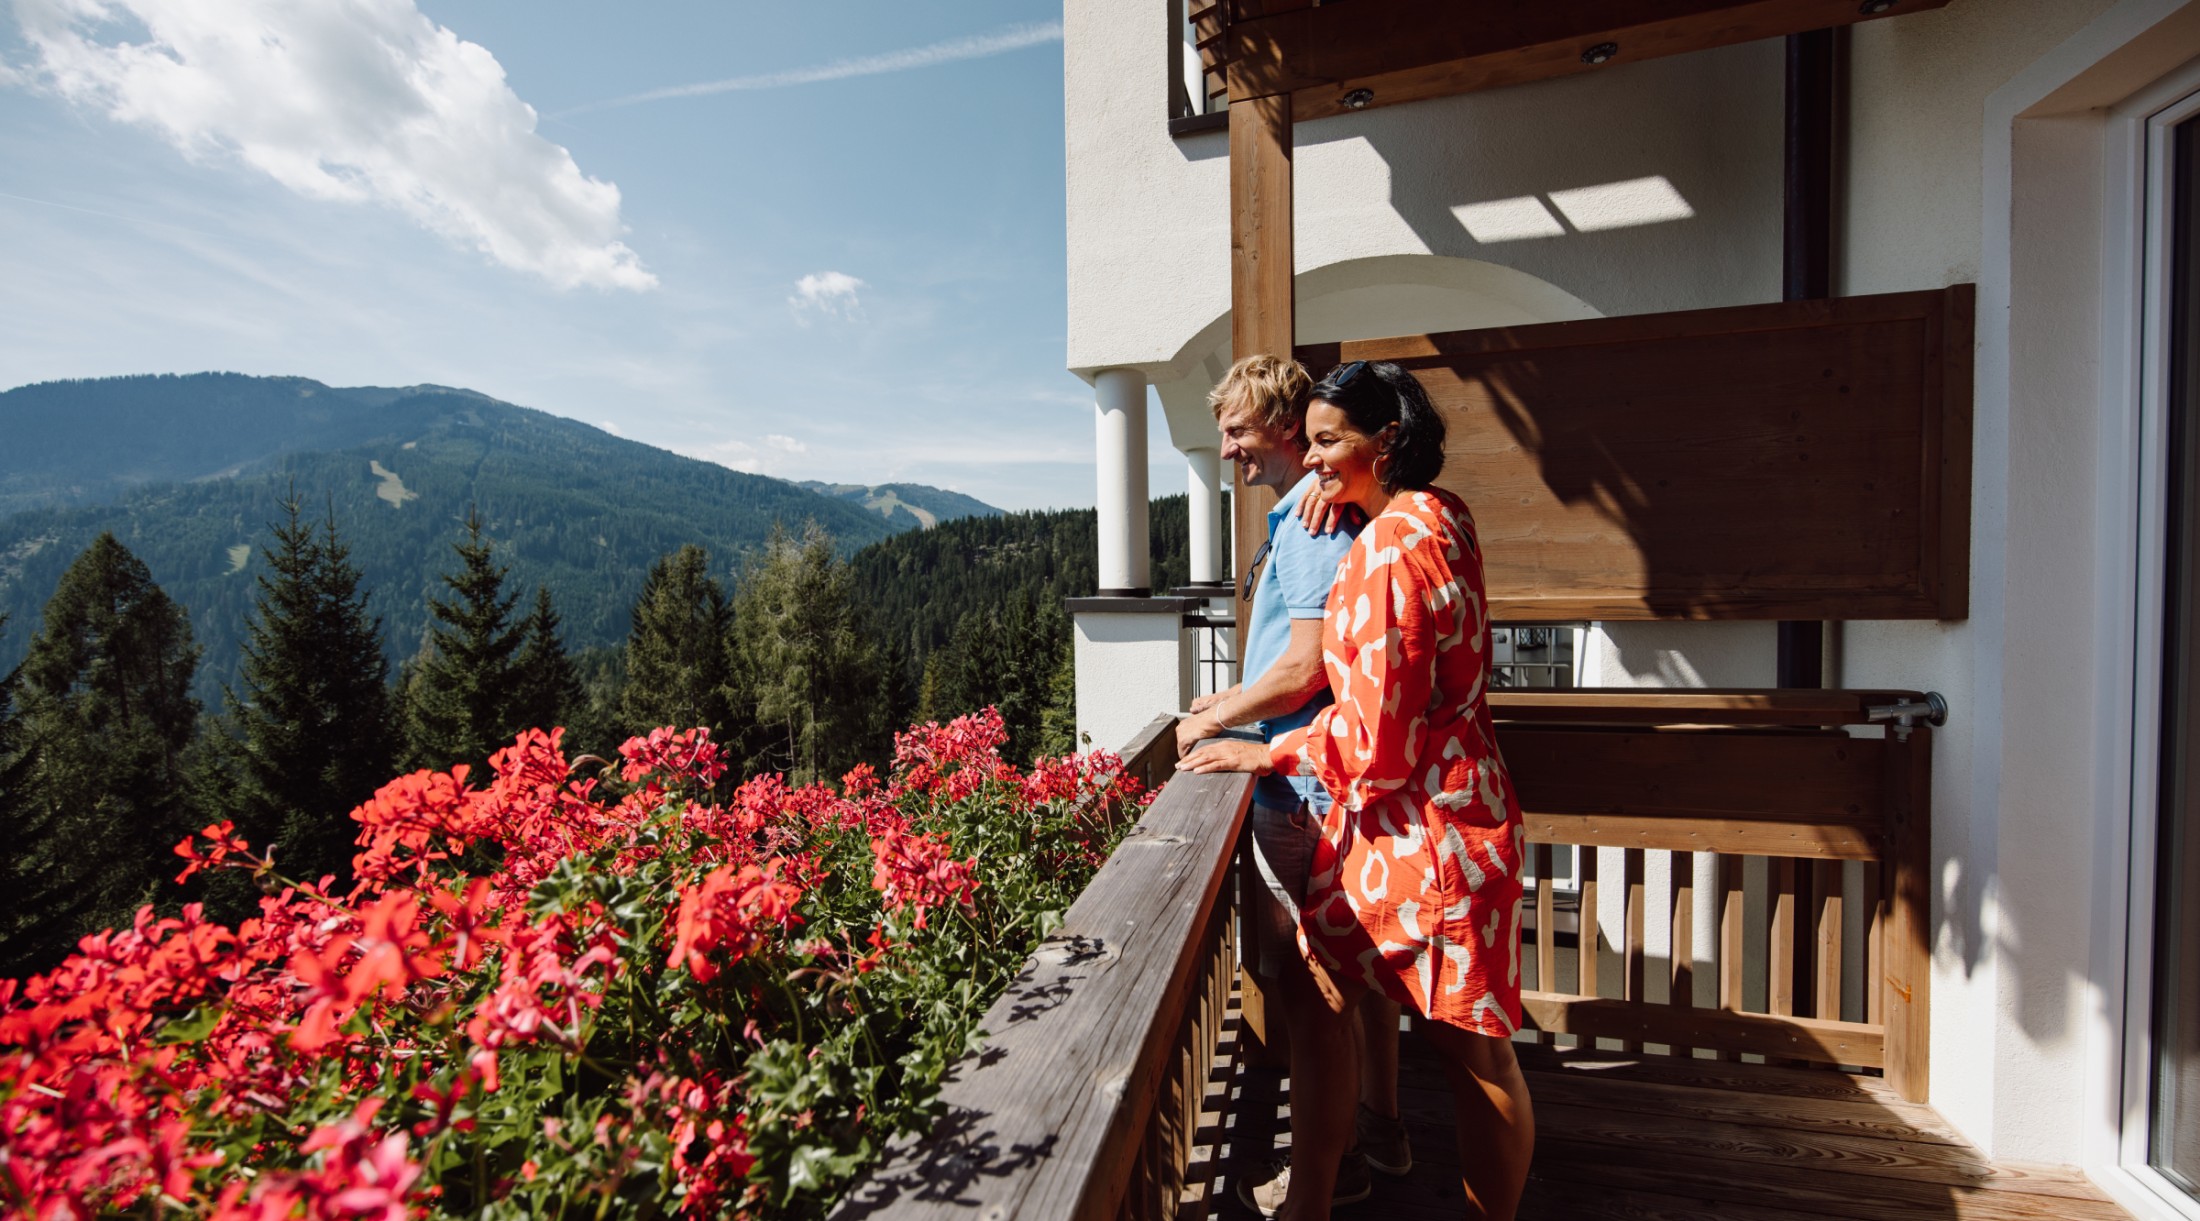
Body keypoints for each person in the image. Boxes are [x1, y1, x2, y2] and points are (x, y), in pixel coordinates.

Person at [1180, 359, 1535, 1221]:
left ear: (1389, 441)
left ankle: (1334, 1190)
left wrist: (1259, 753)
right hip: (1463, 806)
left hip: (1426, 837)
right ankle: (1348, 1162)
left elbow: (1375, 742)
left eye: (1329, 442)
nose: (1311, 459)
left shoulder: (1383, 550)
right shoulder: (1445, 517)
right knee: (1339, 983)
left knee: (1477, 1060)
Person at [1172, 355, 1412, 1217]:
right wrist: (1232, 701)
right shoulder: (1317, 513)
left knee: (1313, 992)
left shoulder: (1309, 525)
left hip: (1297, 780)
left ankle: (1333, 1167)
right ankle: (1379, 1129)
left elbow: (1308, 666)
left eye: (1237, 429)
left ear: (1281, 428)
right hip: (1324, 772)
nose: (1228, 448)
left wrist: (1220, 716)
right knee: (1359, 977)